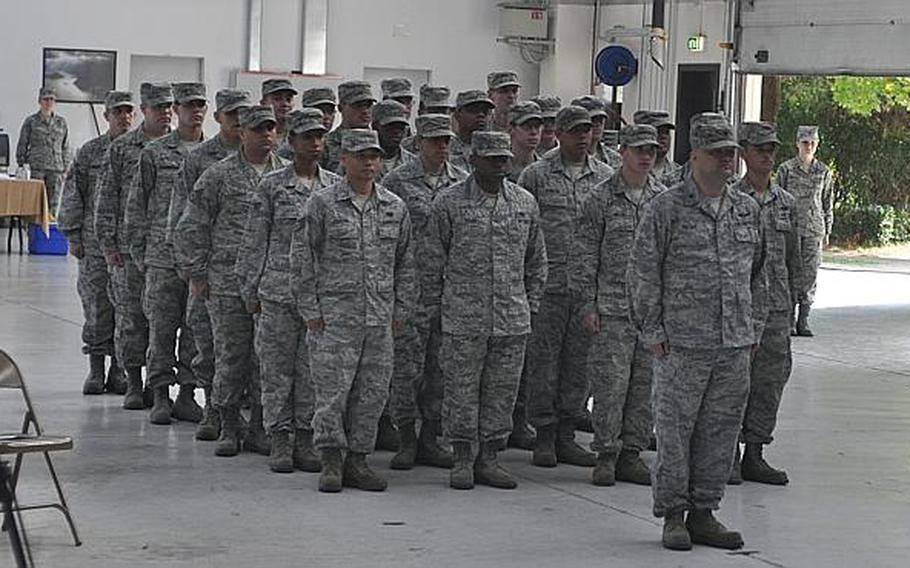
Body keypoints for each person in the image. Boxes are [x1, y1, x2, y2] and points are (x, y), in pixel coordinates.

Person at [629, 112, 767, 551]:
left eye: (731, 153)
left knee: (720, 431)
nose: (728, 161)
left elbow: (758, 274)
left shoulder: (746, 208)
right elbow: (643, 271)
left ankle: (705, 512)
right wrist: (651, 330)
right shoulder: (665, 208)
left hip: (733, 343)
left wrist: (754, 328)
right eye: (718, 153)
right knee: (674, 432)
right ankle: (674, 514)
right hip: (681, 345)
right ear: (694, 156)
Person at [292, 129, 416, 493]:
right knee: (332, 392)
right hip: (334, 319)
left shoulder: (394, 206)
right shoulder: (322, 204)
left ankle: (359, 460)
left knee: (372, 393)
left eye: (374, 156)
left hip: (379, 320)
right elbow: (303, 259)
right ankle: (331, 459)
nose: (369, 163)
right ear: (343, 159)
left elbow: (405, 264)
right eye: (361, 156)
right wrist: (310, 309)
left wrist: (401, 310)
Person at [425, 131, 548, 490]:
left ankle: (490, 457)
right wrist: (434, 311)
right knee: (461, 390)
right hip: (464, 318)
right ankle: (462, 456)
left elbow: (536, 261)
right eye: (492, 159)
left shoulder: (524, 203)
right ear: (473, 160)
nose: (499, 165)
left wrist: (531, 303)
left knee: (501, 392)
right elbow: (432, 261)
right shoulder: (449, 203)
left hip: (511, 319)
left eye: (504, 159)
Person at [175, 105, 286, 458]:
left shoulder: (285, 176)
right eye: (258, 129)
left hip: (269, 284)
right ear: (243, 133)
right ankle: (228, 424)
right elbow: (191, 226)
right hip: (226, 282)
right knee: (229, 356)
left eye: (271, 129)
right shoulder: (218, 175)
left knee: (264, 360)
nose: (266, 135)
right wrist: (197, 273)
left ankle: (258, 427)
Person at [237, 108, 339, 474]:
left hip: (321, 297)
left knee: (314, 371)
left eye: (319, 137)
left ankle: (306, 437)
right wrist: (250, 289)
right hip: (279, 293)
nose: (314, 144)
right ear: (290, 140)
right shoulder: (273, 186)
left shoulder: (334, 188)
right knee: (277, 369)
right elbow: (254, 242)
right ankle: (279, 438)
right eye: (306, 137)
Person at [517, 106, 613, 469]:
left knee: (579, 365)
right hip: (549, 288)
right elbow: (522, 231)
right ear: (558, 133)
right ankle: (543, 434)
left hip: (586, 290)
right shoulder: (536, 176)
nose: (584, 137)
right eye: (575, 131)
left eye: (587, 130)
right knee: (543, 365)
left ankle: (567, 434)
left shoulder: (605, 178)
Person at [580, 124, 665, 487]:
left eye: (651, 150)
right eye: (639, 150)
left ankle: (632, 452)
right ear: (622, 152)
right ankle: (606, 453)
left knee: (644, 387)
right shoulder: (600, 198)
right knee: (610, 385)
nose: (646, 156)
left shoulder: (664, 200)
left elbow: (671, 258)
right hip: (612, 309)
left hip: (649, 313)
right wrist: (588, 303)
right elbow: (584, 254)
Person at [382, 113, 468, 470]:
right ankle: (405, 437)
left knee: (441, 367)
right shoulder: (396, 182)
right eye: (434, 141)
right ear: (418, 143)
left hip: (450, 292)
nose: (442, 147)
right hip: (410, 290)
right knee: (405, 368)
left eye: (446, 140)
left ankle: (431, 436)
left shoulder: (463, 183)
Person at [169, 89, 252, 441]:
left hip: (251, 276)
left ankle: (237, 413)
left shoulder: (269, 159)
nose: (237, 120)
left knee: (246, 351)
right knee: (208, 345)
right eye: (231, 113)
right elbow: (183, 218)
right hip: (212, 272)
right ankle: (213, 411)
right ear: (219, 117)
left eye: (243, 114)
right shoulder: (201, 159)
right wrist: (191, 268)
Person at [126, 82, 208, 425]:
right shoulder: (155, 153)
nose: (196, 111)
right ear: (176, 109)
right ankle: (160, 392)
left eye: (201, 104)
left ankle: (187, 393)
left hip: (198, 259)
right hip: (161, 258)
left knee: (194, 330)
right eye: (189, 105)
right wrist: (140, 253)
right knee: (161, 327)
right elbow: (136, 206)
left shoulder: (214, 154)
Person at [95, 82, 173, 410]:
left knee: (163, 321)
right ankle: (133, 381)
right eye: (158, 107)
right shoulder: (124, 148)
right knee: (130, 318)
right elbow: (107, 196)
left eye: (169, 106)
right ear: (145, 110)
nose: (165, 112)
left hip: (166, 251)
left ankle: (162, 388)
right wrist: (107, 243)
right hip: (128, 250)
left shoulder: (185, 148)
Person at [731, 122, 801, 486]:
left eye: (772, 148)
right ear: (743, 152)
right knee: (732, 382)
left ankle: (755, 451)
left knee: (770, 382)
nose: (767, 155)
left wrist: (796, 303)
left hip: (775, 308)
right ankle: (728, 454)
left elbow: (794, 258)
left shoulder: (786, 203)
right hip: (738, 307)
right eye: (760, 149)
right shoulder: (729, 199)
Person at [58, 90, 134, 396]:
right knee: (96, 306)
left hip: (128, 244)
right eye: (118, 112)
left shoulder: (141, 151)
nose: (124, 117)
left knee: (126, 309)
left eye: (128, 112)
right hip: (92, 244)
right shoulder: (90, 152)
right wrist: (73, 235)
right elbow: (73, 193)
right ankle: (96, 370)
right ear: (107, 116)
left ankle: (119, 371)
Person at [776, 125, 834, 337]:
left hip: (813, 230)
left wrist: (827, 230)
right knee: (790, 273)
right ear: (797, 144)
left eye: (812, 143)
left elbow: (827, 202)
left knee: (810, 275)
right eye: (804, 143)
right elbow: (778, 199)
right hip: (791, 229)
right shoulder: (786, 169)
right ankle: (789, 318)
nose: (808, 146)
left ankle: (804, 319)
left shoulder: (824, 172)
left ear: (817, 145)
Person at [16, 87, 69, 215]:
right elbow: (22, 143)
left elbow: (65, 146)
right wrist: (22, 164)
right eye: (46, 99)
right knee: (35, 201)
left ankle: (50, 230)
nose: (49, 102)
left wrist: (66, 167)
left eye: (52, 99)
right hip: (36, 168)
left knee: (53, 202)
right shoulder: (31, 121)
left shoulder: (61, 122)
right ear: (40, 101)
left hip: (56, 168)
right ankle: (34, 230)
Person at [322, 81, 376, 173]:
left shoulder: (380, 141)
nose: (365, 111)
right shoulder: (326, 143)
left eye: (368, 105)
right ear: (340, 108)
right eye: (358, 106)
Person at [370, 100, 418, 179]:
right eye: (390, 126)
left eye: (400, 127)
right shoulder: (362, 162)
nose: (396, 131)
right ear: (375, 126)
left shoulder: (414, 163)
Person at [571, 95, 621, 170]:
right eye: (592, 119)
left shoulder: (614, 158)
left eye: (600, 120)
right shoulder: (561, 158)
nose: (597, 124)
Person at [448, 90, 494, 172]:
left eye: (485, 111)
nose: (481, 115)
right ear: (457, 115)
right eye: (473, 110)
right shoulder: (444, 148)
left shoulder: (496, 149)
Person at [633, 110, 682, 186]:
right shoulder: (628, 171)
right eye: (657, 131)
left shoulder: (680, 174)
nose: (663, 136)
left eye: (666, 132)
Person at [401, 85, 454, 154]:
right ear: (420, 111)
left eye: (443, 111)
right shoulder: (405, 147)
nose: (438, 116)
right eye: (433, 111)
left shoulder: (455, 146)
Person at [506, 101, 543, 183]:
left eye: (537, 126)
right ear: (511, 128)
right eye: (526, 126)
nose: (533, 132)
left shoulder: (546, 169)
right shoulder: (498, 167)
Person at [260, 78, 298, 146]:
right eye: (277, 99)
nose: (285, 104)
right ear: (263, 103)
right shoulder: (256, 135)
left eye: (288, 99)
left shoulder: (299, 135)